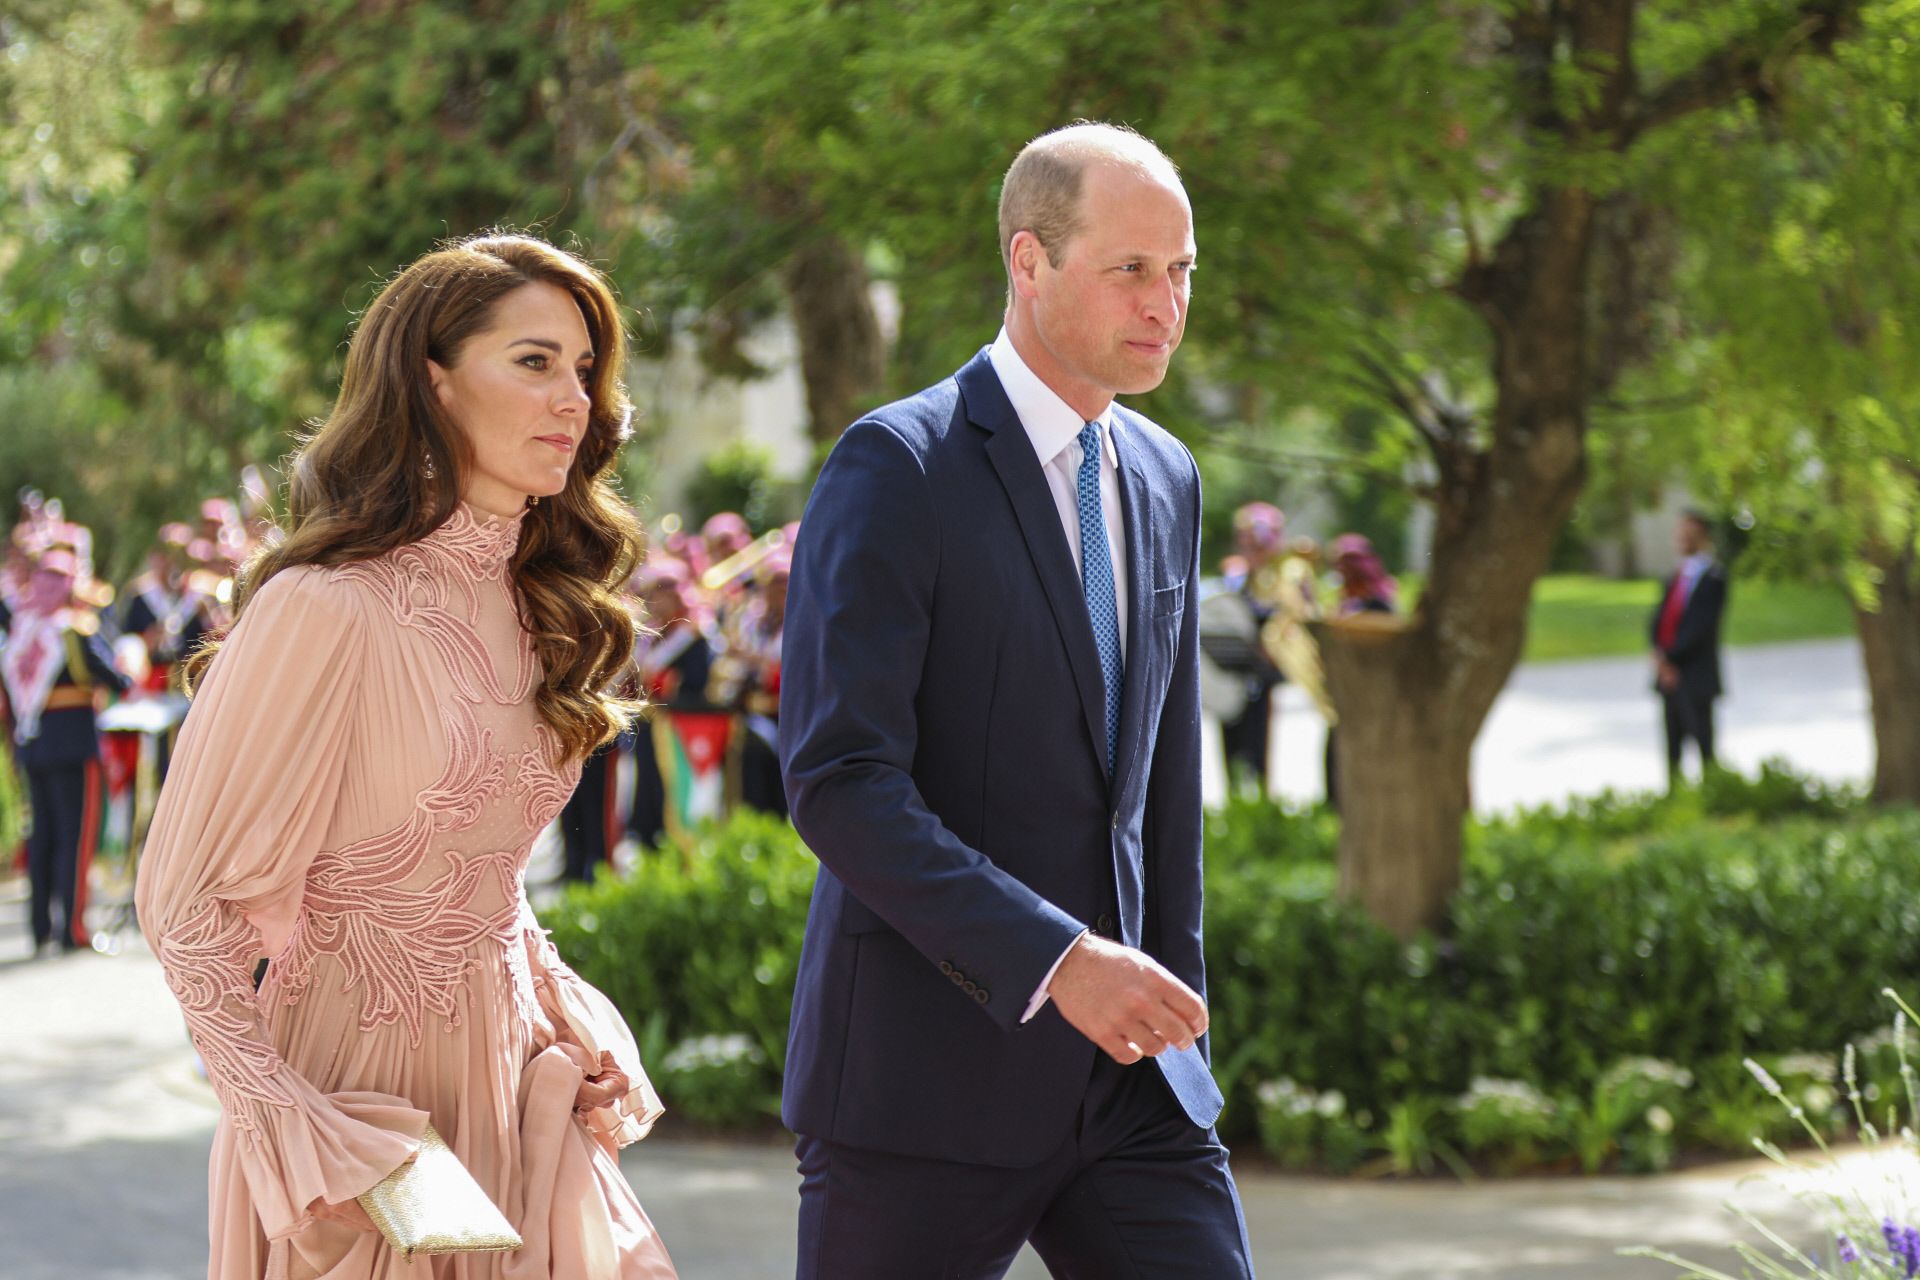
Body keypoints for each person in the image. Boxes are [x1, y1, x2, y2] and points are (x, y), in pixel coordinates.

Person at [134, 233, 677, 1278]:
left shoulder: (541, 608)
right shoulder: (323, 606)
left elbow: (482, 875)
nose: (577, 399)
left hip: (514, 1073)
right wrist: (288, 1120)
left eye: (583, 369)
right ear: (433, 384)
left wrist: (564, 1006)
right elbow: (178, 902)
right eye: (533, 361)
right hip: (359, 1099)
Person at [780, 122, 1251, 1278]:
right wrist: (1058, 958)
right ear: (1027, 261)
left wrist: (1173, 1012)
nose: (1165, 302)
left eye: (1182, 269)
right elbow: (841, 783)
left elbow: (1161, 786)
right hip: (926, 1091)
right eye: (1131, 268)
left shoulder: (1166, 474)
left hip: (1136, 1096)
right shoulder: (897, 466)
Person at [1, 546, 129, 954]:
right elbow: (115, 678)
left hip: (32, 744)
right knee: (74, 837)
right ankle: (72, 928)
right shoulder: (74, 629)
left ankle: (39, 927)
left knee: (42, 836)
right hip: (72, 742)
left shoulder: (21, 631)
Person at [1650, 509, 1728, 784]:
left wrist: (1671, 659)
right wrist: (1659, 658)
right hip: (1668, 677)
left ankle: (1712, 798)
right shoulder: (1676, 577)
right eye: (1679, 533)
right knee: (1672, 748)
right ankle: (1674, 801)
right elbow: (1658, 621)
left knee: (1703, 744)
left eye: (1689, 533)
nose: (1682, 539)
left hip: (1695, 676)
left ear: (1703, 537)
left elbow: (1699, 628)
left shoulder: (1714, 578)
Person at [1218, 502, 1288, 795]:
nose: (1250, 549)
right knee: (1230, 743)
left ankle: (1261, 803)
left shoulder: (1282, 578)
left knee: (1259, 743)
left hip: (1264, 673)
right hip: (1234, 670)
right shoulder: (1234, 577)